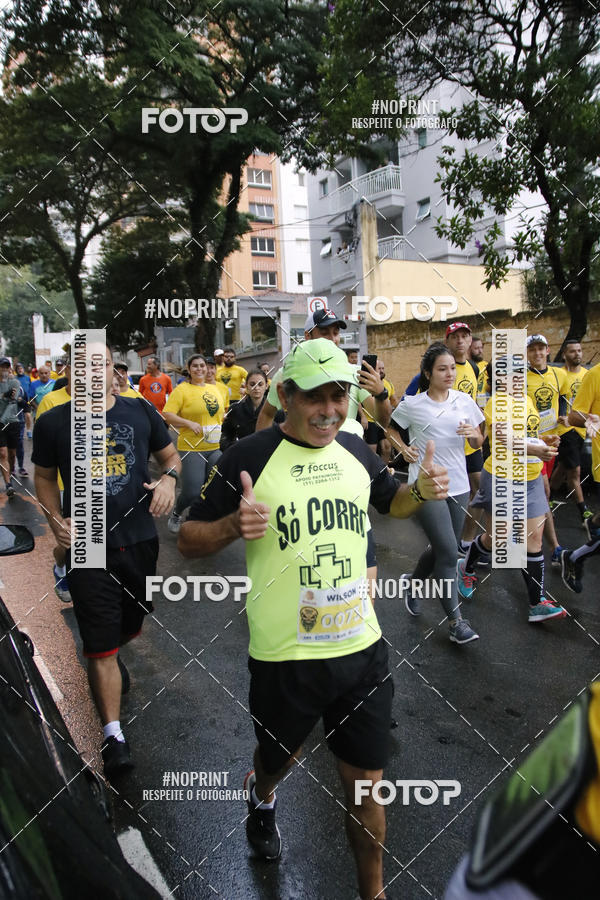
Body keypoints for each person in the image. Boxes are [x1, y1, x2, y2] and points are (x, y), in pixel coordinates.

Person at [178, 339, 449, 900]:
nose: (330, 410)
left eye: (339, 396)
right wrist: (231, 526)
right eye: (315, 398)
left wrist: (420, 491)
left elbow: (392, 501)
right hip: (286, 658)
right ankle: (262, 793)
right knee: (280, 759)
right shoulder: (248, 457)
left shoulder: (354, 449)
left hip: (361, 651)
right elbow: (187, 538)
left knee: (367, 791)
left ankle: (372, 893)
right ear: (285, 395)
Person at [33, 342, 181, 777]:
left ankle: (114, 651)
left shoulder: (141, 412)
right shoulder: (53, 422)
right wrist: (55, 521)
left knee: (132, 620)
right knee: (99, 644)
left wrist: (169, 482)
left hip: (138, 539)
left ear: (115, 372)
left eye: (101, 363)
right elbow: (43, 477)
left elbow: (171, 458)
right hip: (88, 542)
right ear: (70, 373)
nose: (92, 371)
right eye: (82, 364)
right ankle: (113, 736)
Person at [457, 360, 567, 623]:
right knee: (499, 539)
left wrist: (544, 441)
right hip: (502, 476)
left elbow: (528, 434)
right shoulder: (497, 402)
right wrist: (536, 449)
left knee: (534, 540)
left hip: (530, 478)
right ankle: (466, 568)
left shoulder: (527, 400)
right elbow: (504, 439)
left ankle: (537, 603)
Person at [392, 343, 484, 643]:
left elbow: (479, 440)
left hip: (458, 485)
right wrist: (403, 448)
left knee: (443, 547)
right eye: (442, 369)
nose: (449, 374)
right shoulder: (413, 404)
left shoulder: (464, 400)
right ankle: (456, 622)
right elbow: (390, 429)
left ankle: (413, 583)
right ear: (428, 373)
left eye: (452, 368)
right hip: (426, 486)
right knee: (448, 552)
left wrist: (474, 436)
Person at [163, 354, 225, 534]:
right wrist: (188, 423)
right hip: (191, 448)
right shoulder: (182, 390)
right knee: (192, 492)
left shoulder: (215, 389)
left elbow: (218, 414)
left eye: (202, 365)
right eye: (195, 366)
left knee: (215, 486)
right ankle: (176, 513)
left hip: (214, 447)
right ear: (189, 370)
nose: (200, 369)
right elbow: (167, 415)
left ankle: (200, 517)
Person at [526, 334, 569, 567]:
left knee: (542, 494)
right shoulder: (522, 378)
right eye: (532, 349)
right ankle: (553, 547)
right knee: (542, 493)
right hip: (530, 445)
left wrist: (562, 416)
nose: (537, 353)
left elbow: (563, 397)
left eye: (540, 349)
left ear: (548, 350)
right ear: (527, 354)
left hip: (551, 442)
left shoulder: (559, 374)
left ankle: (536, 543)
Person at [560, 359, 600, 592]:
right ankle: (575, 557)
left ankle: (592, 524)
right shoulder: (594, 375)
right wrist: (593, 420)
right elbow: (574, 416)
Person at [445, 322, 486, 552]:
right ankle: (444, 541)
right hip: (448, 444)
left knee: (480, 490)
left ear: (470, 340)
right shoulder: (441, 368)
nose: (460, 340)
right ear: (447, 341)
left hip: (470, 444)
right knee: (448, 495)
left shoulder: (474, 368)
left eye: (464, 336)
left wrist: (479, 431)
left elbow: (474, 403)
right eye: (455, 337)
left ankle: (467, 540)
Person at [549, 339, 592, 524]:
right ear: (564, 354)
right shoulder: (559, 375)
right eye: (573, 351)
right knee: (575, 471)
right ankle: (584, 512)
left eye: (579, 350)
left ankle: (548, 498)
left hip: (583, 429)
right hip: (566, 429)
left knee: (563, 466)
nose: (577, 354)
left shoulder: (587, 375)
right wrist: (561, 416)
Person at [220, 369, 268, 450]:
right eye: (252, 384)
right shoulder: (235, 409)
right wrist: (232, 448)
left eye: (260, 384)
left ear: (266, 386)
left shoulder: (276, 410)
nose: (256, 388)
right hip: (242, 453)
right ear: (246, 386)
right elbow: (226, 435)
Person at [0, 357, 27, 498]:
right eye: (2, 367)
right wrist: (3, 395)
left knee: (11, 453)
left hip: (12, 421)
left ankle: (10, 472)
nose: (4, 369)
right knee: (2, 453)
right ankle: (8, 484)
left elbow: (13, 401)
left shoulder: (14, 382)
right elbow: (6, 397)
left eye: (6, 367)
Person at [14, 362, 31, 466]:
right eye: (18, 368)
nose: (20, 370)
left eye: (21, 368)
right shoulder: (15, 379)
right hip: (16, 407)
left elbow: (29, 388)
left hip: (26, 401)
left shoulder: (27, 378)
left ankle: (28, 430)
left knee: (28, 415)